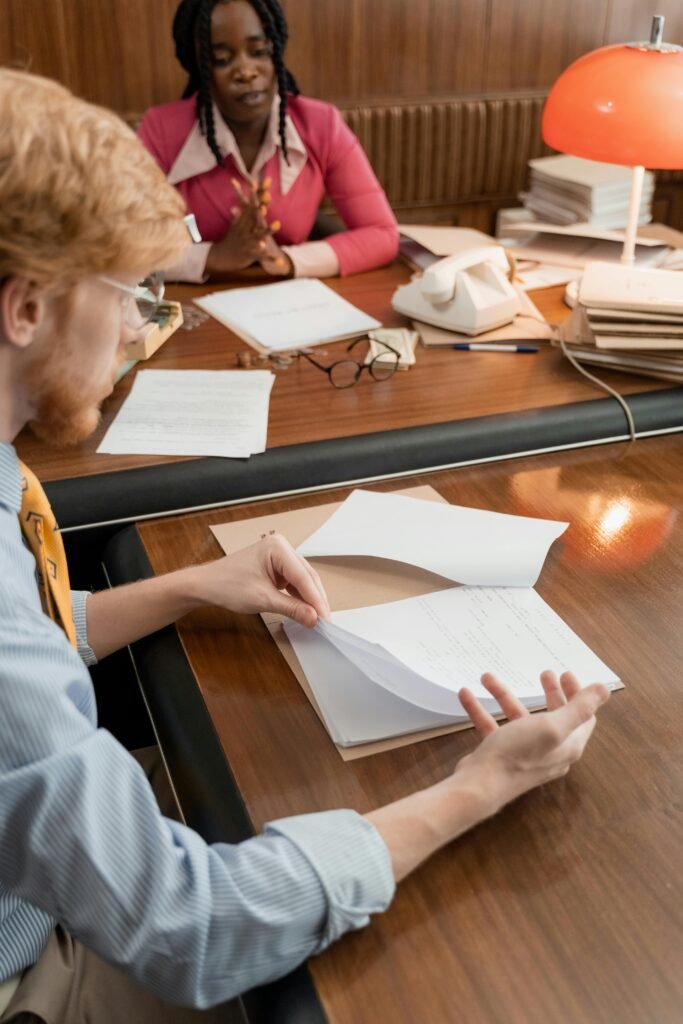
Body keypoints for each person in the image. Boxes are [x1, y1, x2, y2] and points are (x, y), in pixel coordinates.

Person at [0, 68, 610, 1024]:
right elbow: (193, 924)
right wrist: (482, 785)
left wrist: (195, 584)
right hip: (29, 965)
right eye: (127, 292)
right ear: (25, 306)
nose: (137, 326)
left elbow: (30, 644)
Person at [137, 0, 400, 282]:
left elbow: (382, 235)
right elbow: (125, 245)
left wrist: (288, 261)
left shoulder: (322, 125)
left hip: (290, 302)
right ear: (200, 68)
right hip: (194, 309)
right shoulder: (162, 132)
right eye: (223, 60)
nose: (246, 71)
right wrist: (214, 256)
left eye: (259, 52)